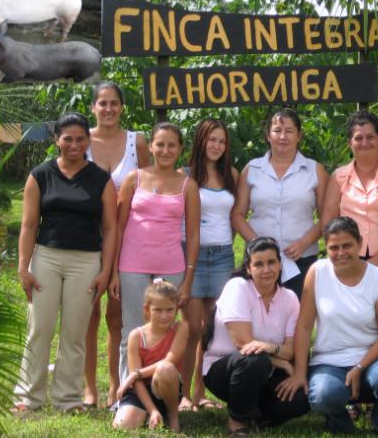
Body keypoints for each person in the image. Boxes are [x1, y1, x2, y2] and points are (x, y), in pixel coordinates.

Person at [12, 113, 117, 413]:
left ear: (89, 141)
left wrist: (105, 270)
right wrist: (23, 267)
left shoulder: (101, 179)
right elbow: (28, 225)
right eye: (67, 139)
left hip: (86, 262)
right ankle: (29, 397)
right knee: (39, 328)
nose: (74, 145)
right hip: (46, 257)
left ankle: (68, 398)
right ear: (56, 139)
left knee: (75, 332)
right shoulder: (40, 175)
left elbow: (110, 228)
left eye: (81, 139)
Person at [277, 217, 378, 434]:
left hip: (374, 360)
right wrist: (300, 372)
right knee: (323, 395)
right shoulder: (317, 272)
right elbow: (303, 327)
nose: (341, 253)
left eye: (347, 245)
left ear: (359, 243)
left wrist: (359, 368)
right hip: (329, 361)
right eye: (334, 247)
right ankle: (339, 422)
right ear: (326, 248)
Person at [112, 122, 200, 391]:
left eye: (171, 145)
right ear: (150, 147)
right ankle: (129, 393)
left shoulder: (188, 185)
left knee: (166, 330)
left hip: (171, 266)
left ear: (180, 149)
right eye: (160, 144)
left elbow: (193, 235)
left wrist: (188, 280)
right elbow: (118, 227)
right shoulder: (134, 178)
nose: (165, 150)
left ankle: (163, 391)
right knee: (132, 330)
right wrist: (113, 270)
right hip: (132, 265)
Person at [202, 237, 309, 436]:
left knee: (302, 398)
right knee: (254, 360)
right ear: (248, 269)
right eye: (258, 264)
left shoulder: (290, 298)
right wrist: (278, 361)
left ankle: (259, 416)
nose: (266, 269)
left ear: (280, 265)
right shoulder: (238, 287)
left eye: (271, 262)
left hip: (264, 370)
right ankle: (238, 420)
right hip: (224, 369)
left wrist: (271, 349)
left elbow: (291, 350)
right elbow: (243, 343)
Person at [84, 81, 149, 408]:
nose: (108, 109)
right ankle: (89, 389)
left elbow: (151, 183)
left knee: (117, 316)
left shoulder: (138, 142)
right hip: (86, 237)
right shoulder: (81, 140)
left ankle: (115, 385)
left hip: (127, 237)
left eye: (114, 103)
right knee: (88, 313)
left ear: (122, 107)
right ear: (93, 107)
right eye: (102, 103)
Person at [231, 108, 328, 299]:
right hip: (259, 262)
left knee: (298, 313)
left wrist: (304, 243)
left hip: (301, 259)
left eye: (289, 131)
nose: (283, 136)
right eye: (277, 131)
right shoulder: (252, 169)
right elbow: (237, 214)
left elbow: (327, 216)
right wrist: (257, 243)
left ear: (299, 136)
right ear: (268, 135)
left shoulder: (314, 170)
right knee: (259, 311)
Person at [182, 118, 238, 411]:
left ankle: (200, 392)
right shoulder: (185, 175)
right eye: (211, 139)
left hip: (222, 256)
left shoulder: (231, 175)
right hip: (191, 256)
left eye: (222, 141)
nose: (216, 146)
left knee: (212, 329)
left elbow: (235, 216)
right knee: (192, 328)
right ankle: (182, 394)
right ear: (201, 141)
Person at [321, 110, 378, 292]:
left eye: (370, 137)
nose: (364, 143)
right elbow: (328, 222)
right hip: (345, 259)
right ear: (350, 142)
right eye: (358, 138)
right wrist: (339, 255)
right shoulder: (338, 177)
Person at [113, 280, 188, 431]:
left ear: (176, 308)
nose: (164, 316)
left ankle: (172, 415)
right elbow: (138, 383)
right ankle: (151, 413)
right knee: (122, 427)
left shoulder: (181, 328)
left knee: (165, 368)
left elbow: (169, 361)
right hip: (140, 391)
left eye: (169, 310)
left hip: (166, 387)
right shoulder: (136, 336)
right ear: (147, 309)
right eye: (158, 310)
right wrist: (152, 409)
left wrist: (135, 374)